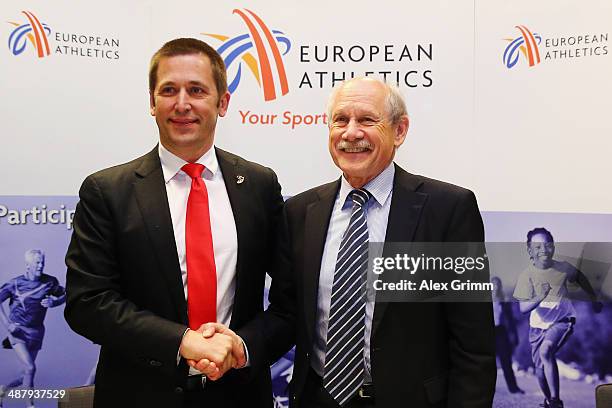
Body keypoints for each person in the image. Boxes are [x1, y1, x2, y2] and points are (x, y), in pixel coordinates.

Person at [196, 77, 496, 407]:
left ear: (399, 130)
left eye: (367, 120)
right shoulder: (300, 213)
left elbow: (474, 344)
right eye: (340, 120)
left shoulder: (448, 210)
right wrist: (242, 345)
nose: (351, 133)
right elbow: (287, 314)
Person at [64, 38, 283, 408]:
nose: (182, 104)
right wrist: (182, 340)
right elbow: (87, 302)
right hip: (140, 394)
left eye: (196, 90)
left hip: (240, 395)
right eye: (169, 90)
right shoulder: (107, 191)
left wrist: (242, 346)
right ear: (152, 102)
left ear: (222, 102)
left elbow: (289, 301)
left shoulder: (259, 185)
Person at [513, 227, 602, 408]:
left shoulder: (563, 268)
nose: (543, 250)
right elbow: (523, 308)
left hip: (562, 320)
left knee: (547, 351)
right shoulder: (526, 275)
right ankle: (548, 400)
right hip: (537, 327)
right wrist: (540, 297)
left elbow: (580, 278)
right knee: (539, 371)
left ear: (553, 247)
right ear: (530, 251)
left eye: (547, 245)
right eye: (537, 247)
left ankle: (555, 400)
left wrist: (593, 299)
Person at [0, 249, 66, 408]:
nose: (41, 265)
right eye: (37, 262)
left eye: (42, 262)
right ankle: (30, 406)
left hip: (37, 332)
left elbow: (66, 295)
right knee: (31, 367)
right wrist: (8, 324)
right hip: (18, 332)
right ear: (28, 265)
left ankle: (3, 390)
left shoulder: (50, 282)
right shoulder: (15, 283)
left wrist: (54, 302)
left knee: (25, 374)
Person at [491, 276, 524, 394]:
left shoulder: (504, 301)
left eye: (497, 284)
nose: (495, 287)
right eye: (493, 284)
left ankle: (513, 388)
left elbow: (511, 320)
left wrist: (514, 335)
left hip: (501, 332)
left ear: (500, 287)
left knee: (506, 361)